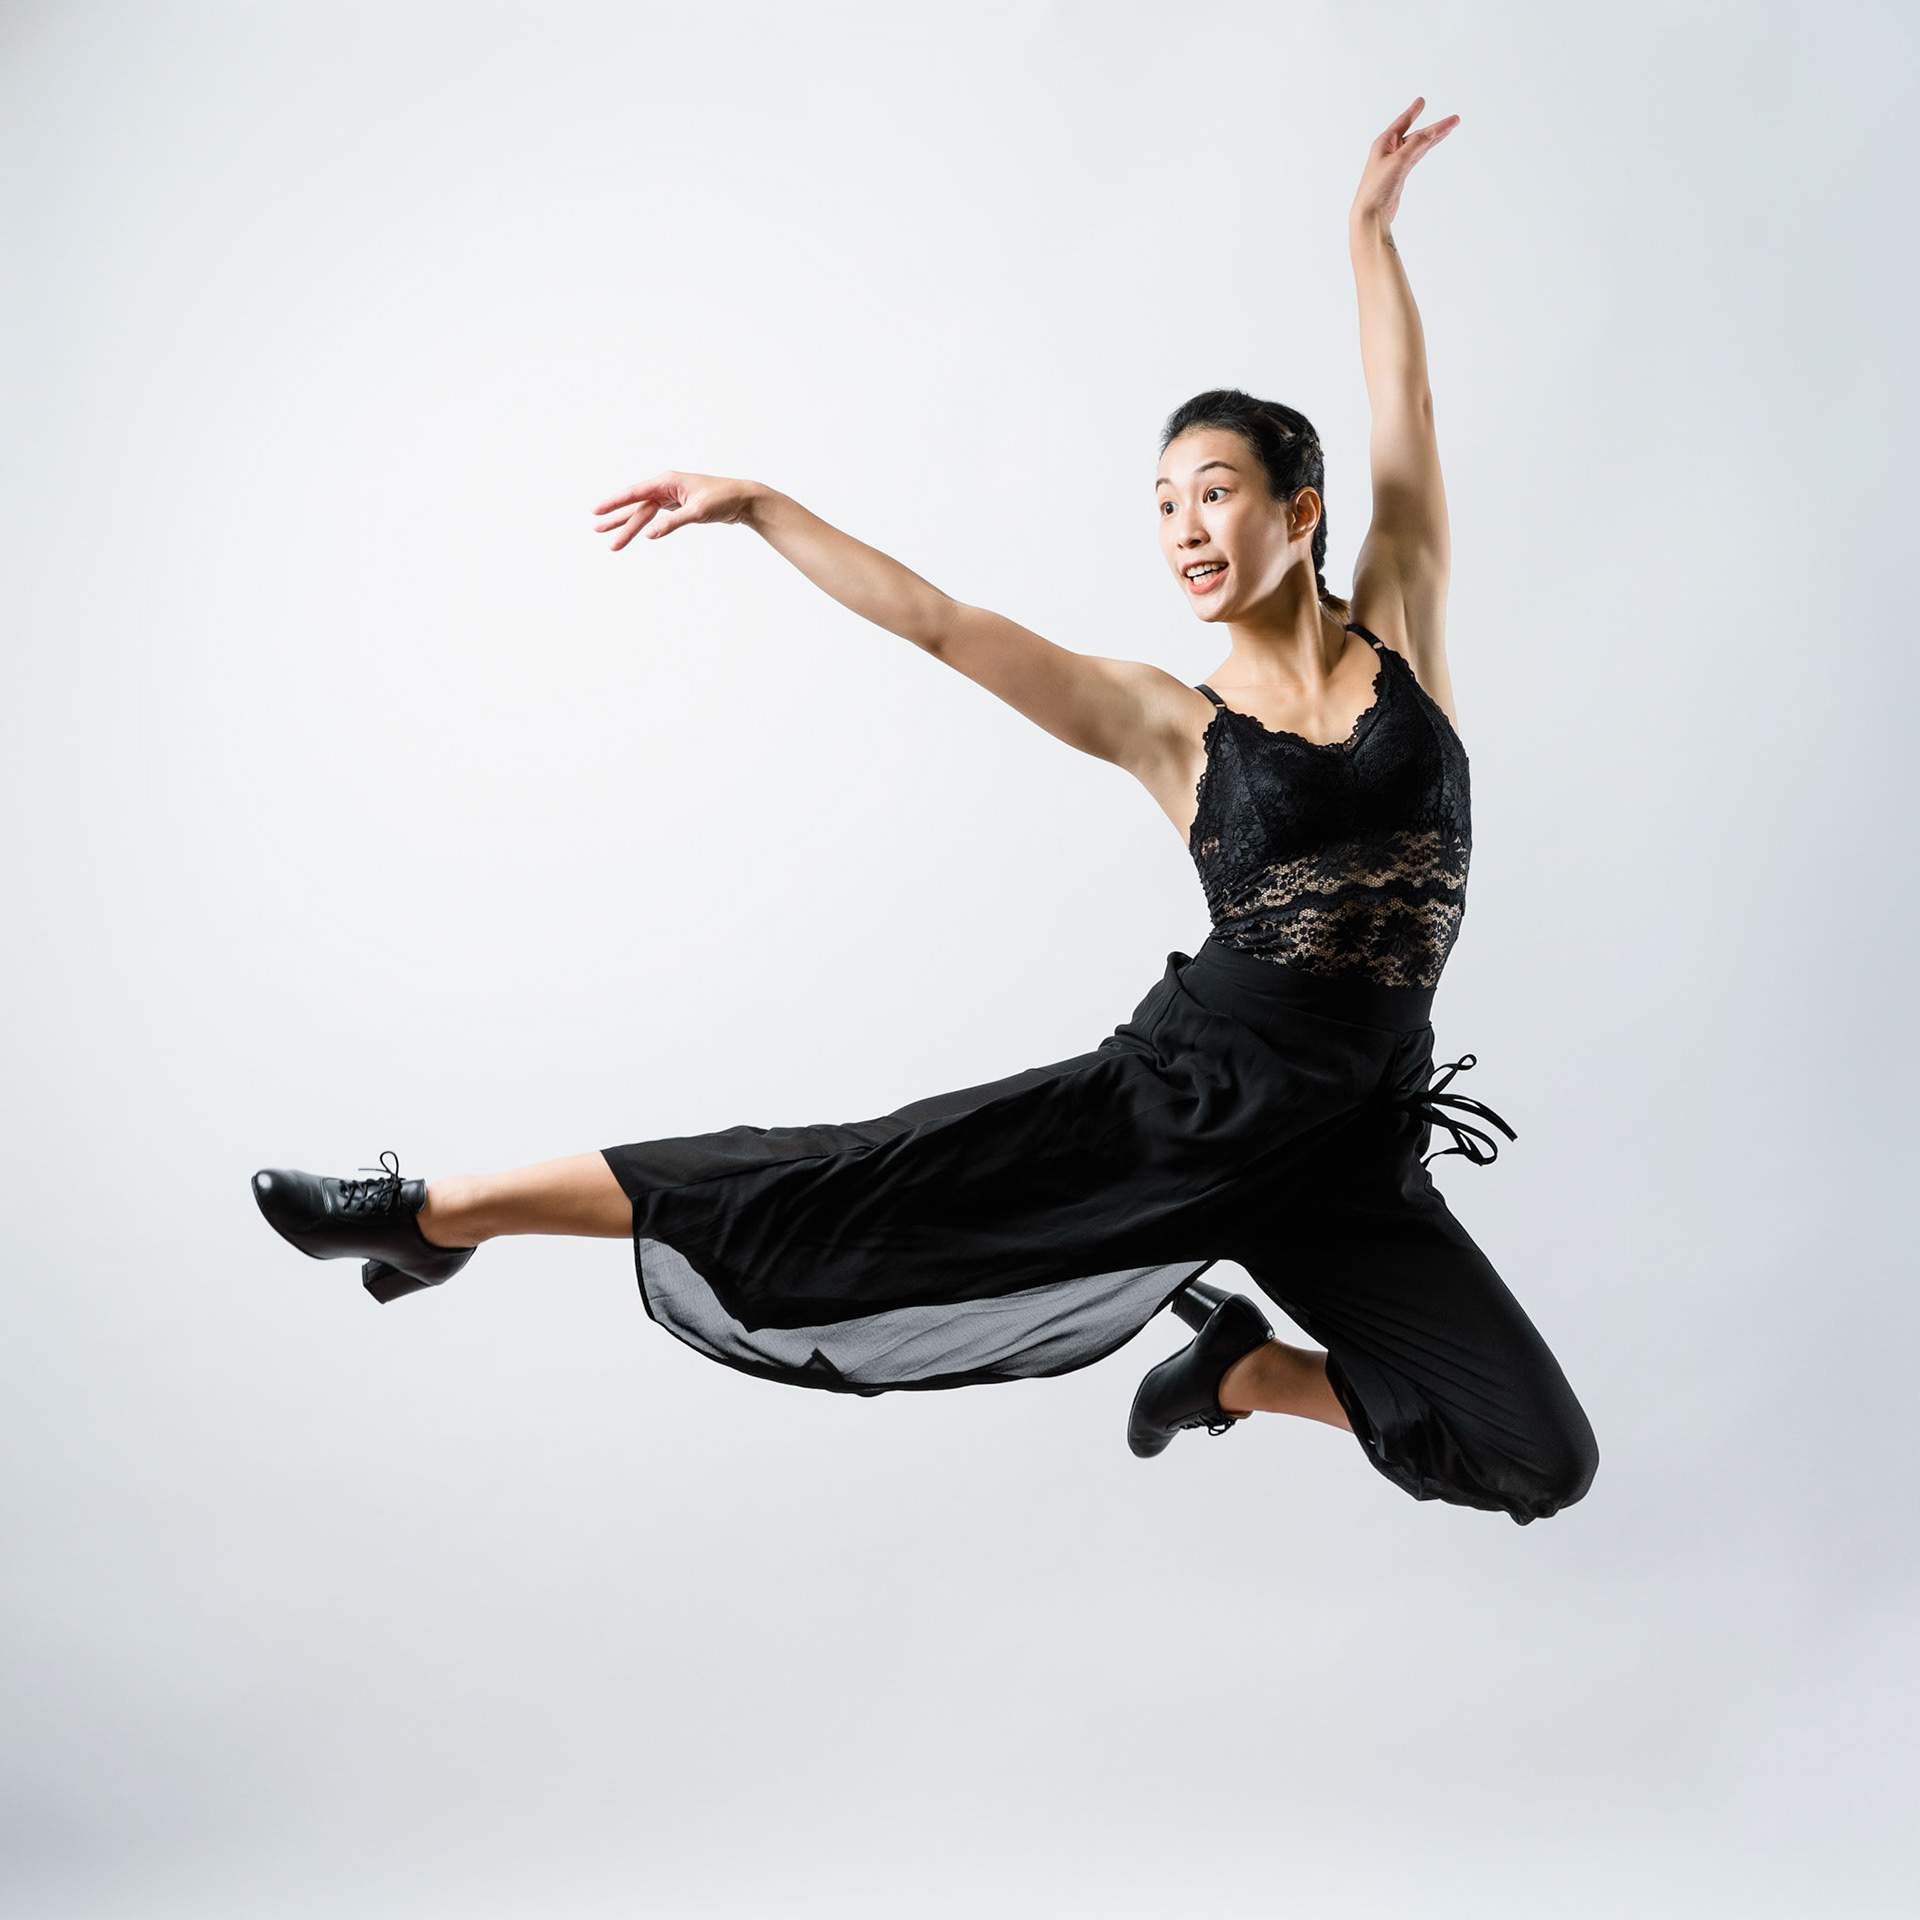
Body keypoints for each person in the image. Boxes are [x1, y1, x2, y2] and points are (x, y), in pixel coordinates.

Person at [253, 101, 1597, 1523]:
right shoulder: (1168, 721)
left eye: (1215, 494)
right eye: (1163, 507)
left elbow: (1406, 415)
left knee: (1538, 1459)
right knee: (846, 1178)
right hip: (1189, 1103)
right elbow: (944, 624)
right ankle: (437, 1214)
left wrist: (1368, 232)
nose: (1186, 530)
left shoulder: (1402, 628)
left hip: (1352, 1150)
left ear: (1302, 511)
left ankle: (1242, 1373)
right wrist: (763, 507)